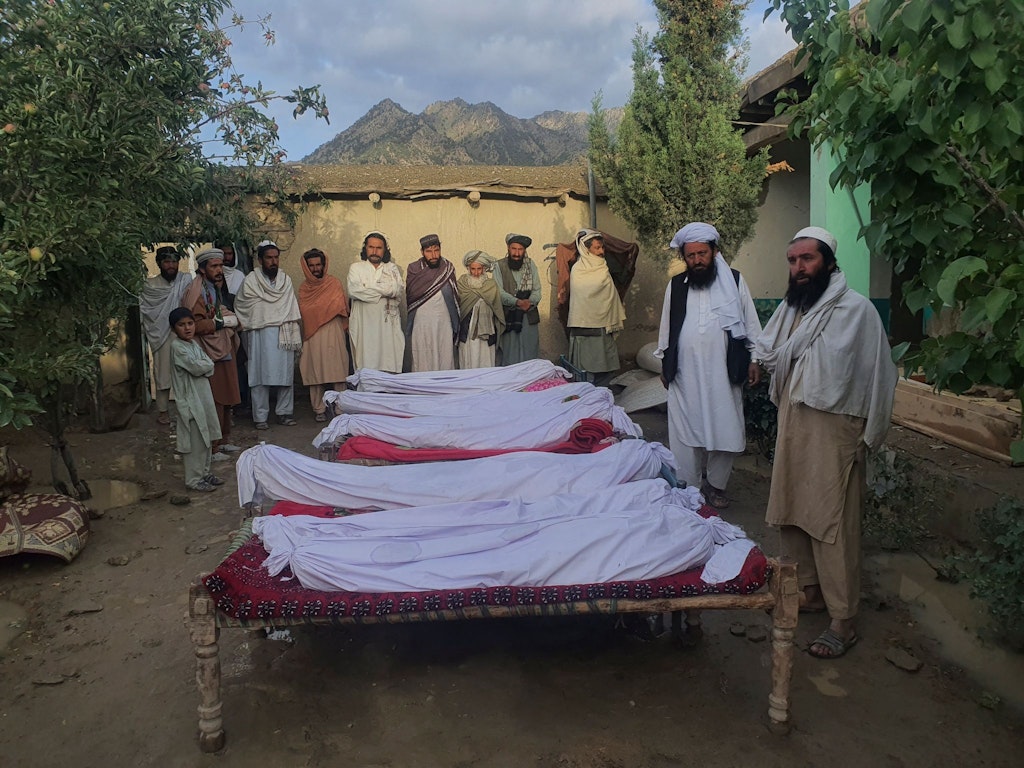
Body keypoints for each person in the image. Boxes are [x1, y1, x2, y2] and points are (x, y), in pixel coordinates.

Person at [755, 226, 898, 660]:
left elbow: (881, 376)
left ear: (829, 263)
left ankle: (844, 618)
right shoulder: (792, 309)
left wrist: (870, 434)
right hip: (794, 419)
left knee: (832, 522)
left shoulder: (857, 312)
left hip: (836, 428)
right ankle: (811, 594)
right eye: (793, 261)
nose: (798, 268)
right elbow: (772, 353)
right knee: (794, 512)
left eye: (807, 260)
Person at [655, 223, 762, 509]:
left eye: (702, 253)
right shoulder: (676, 286)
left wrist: (754, 358)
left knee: (725, 425)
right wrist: (665, 362)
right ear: (685, 258)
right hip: (684, 372)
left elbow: (750, 323)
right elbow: (666, 328)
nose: (697, 260)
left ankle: (716, 486)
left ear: (715, 252)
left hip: (723, 372)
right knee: (683, 428)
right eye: (691, 256)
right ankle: (689, 487)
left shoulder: (736, 281)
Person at [234, 240, 303, 429]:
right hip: (259, 334)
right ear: (260, 260)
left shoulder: (285, 280)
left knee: (285, 375)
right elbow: (242, 305)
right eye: (269, 258)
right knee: (259, 376)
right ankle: (260, 417)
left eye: (276, 258)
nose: (273, 262)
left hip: (284, 333)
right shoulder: (250, 281)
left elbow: (289, 307)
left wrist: (271, 313)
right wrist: (266, 314)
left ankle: (284, 413)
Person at [181, 247, 241, 460]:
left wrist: (229, 318)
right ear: (203, 269)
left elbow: (218, 310)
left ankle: (224, 440)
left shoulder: (214, 288)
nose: (218, 270)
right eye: (214, 266)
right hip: (207, 351)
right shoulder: (196, 292)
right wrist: (221, 323)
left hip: (223, 348)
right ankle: (212, 447)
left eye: (220, 266)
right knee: (213, 400)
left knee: (227, 397)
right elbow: (193, 324)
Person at [167, 307, 224, 492]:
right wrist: (206, 365)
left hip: (203, 396)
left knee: (206, 437)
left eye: (190, 323)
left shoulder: (192, 344)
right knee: (195, 441)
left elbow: (208, 364)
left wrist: (206, 365)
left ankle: (205, 473)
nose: (187, 328)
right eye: (181, 325)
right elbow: (198, 367)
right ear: (174, 328)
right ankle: (193, 479)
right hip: (190, 399)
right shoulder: (177, 347)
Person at [139, 246, 193, 425]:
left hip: (182, 334)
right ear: (159, 263)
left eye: (174, 261)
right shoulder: (150, 286)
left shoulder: (185, 280)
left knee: (185, 371)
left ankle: (185, 410)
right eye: (167, 262)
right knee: (163, 374)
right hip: (161, 334)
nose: (171, 265)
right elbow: (147, 310)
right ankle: (163, 411)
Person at [565, 229, 626, 385]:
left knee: (606, 365)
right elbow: (583, 296)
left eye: (602, 248)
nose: (601, 252)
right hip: (585, 328)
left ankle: (602, 394)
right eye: (597, 248)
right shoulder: (578, 270)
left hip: (605, 325)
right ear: (586, 249)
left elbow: (608, 295)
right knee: (587, 368)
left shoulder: (603, 267)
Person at [297, 248, 350, 423]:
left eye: (318, 264)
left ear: (324, 264)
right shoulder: (304, 289)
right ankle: (318, 408)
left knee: (337, 370)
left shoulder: (334, 283)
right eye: (311, 265)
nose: (315, 268)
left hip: (333, 330)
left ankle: (340, 407)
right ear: (306, 267)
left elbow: (341, 307)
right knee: (315, 371)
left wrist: (321, 311)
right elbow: (305, 311)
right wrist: (323, 310)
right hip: (312, 333)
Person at [346, 231, 405, 373]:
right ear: (365, 248)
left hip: (388, 328)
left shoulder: (391, 269)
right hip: (364, 326)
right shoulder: (356, 268)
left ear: (385, 250)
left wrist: (369, 288)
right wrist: (384, 292)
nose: (374, 251)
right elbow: (354, 291)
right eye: (371, 247)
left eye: (379, 248)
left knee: (389, 361)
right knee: (366, 363)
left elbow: (397, 290)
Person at [405, 233, 459, 372]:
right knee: (422, 353)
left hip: (444, 320)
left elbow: (453, 296)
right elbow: (411, 296)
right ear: (422, 252)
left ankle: (444, 389)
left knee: (444, 353)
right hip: (421, 320)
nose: (433, 255)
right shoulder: (414, 269)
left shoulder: (448, 267)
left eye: (436, 250)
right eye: (429, 251)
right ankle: (422, 389)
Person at [493, 232, 542, 365]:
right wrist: (517, 302)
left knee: (530, 352)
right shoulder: (499, 266)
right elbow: (499, 292)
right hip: (509, 316)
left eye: (520, 249)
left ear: (524, 250)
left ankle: (531, 384)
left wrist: (530, 302)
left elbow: (537, 290)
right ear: (508, 248)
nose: (516, 253)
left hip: (529, 314)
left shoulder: (531, 265)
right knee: (510, 353)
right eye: (514, 249)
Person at [216, 241, 250, 415]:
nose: (226, 257)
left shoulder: (239, 276)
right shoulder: (208, 292)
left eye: (229, 254)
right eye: (223, 254)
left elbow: (244, 304)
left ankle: (241, 403)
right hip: (215, 337)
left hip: (237, 332)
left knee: (239, 366)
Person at [456, 250, 505, 368]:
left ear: (484, 269)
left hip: (487, 331)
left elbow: (497, 310)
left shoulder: (491, 285)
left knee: (485, 359)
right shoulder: (462, 284)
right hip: (467, 331)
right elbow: (458, 307)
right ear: (468, 268)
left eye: (479, 269)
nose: (476, 273)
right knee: (468, 359)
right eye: (473, 269)